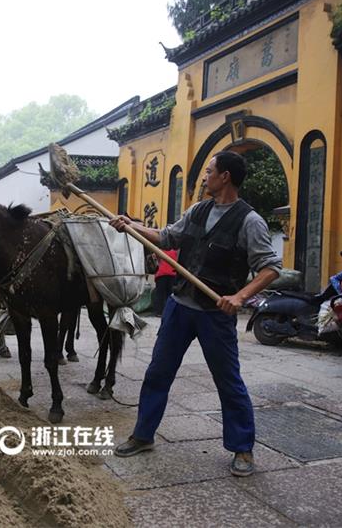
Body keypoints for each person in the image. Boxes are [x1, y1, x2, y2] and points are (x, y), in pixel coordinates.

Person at [108, 151, 281, 477]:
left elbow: (271, 268)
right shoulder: (198, 210)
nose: (205, 177)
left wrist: (239, 296)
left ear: (225, 176)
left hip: (215, 313)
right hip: (180, 306)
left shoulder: (249, 221)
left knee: (227, 380)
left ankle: (242, 448)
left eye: (209, 171)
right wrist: (132, 227)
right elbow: (167, 237)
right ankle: (143, 435)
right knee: (158, 372)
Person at [151, 249, 178, 316]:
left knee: (160, 294)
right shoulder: (176, 251)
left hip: (162, 275)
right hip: (172, 274)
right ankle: (170, 312)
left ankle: (159, 312)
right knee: (171, 295)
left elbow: (154, 258)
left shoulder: (160, 250)